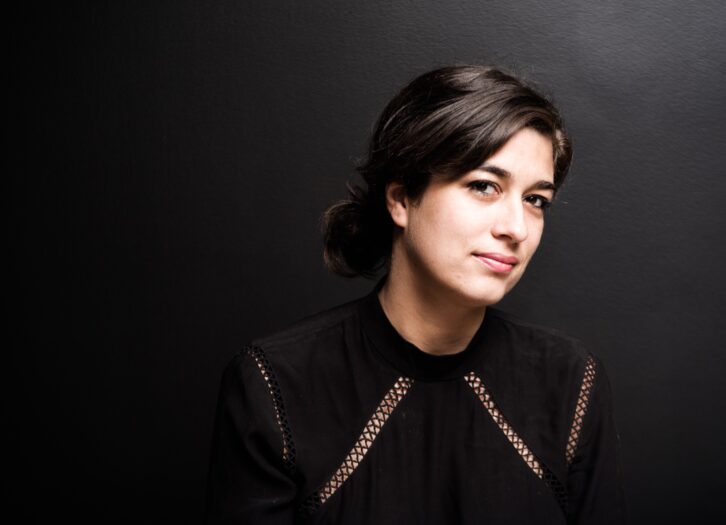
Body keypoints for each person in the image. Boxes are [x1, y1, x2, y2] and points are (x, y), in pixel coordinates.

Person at [206, 65, 626, 524]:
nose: (517, 229)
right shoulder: (275, 384)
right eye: (484, 186)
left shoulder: (571, 381)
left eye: (535, 200)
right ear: (402, 199)